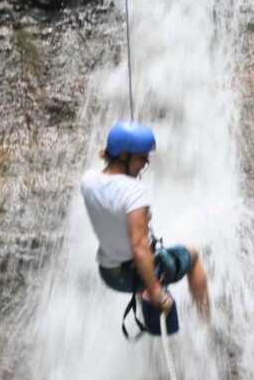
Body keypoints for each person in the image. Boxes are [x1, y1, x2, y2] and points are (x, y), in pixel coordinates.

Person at [80, 121, 210, 320]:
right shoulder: (135, 192)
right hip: (133, 275)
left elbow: (113, 204)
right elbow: (139, 246)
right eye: (142, 158)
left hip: (108, 272)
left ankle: (149, 299)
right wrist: (156, 291)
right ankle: (207, 322)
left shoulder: (88, 180)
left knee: (147, 261)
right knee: (192, 254)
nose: (145, 164)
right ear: (124, 155)